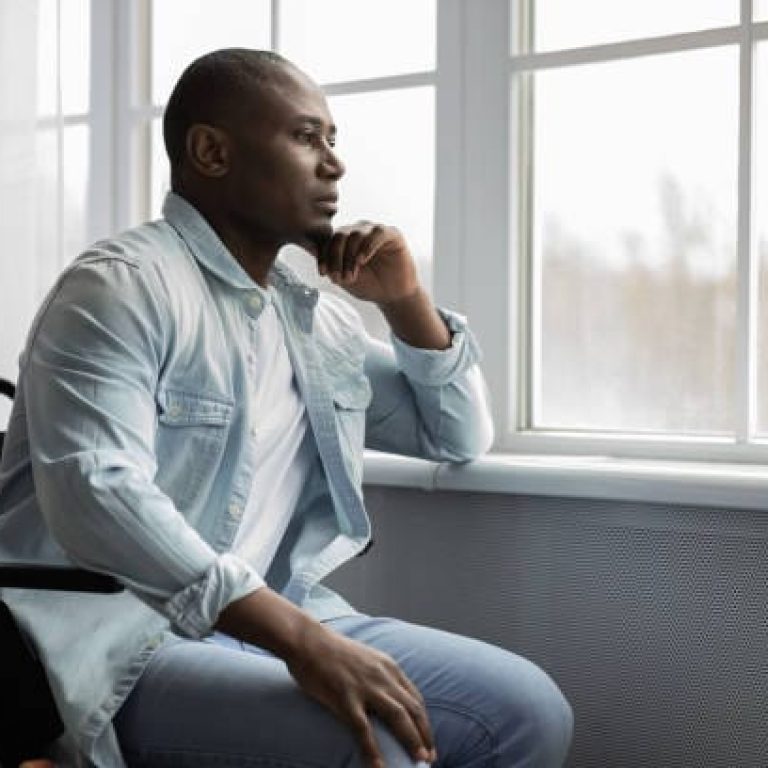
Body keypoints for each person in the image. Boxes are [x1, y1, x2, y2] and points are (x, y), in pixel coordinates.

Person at [0, 49, 573, 767]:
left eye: (332, 141)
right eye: (307, 138)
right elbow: (96, 491)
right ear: (211, 151)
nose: (333, 165)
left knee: (526, 713)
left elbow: (455, 434)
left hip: (271, 622)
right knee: (378, 746)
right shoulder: (120, 288)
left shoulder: (315, 322)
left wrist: (404, 303)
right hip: (119, 640)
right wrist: (299, 640)